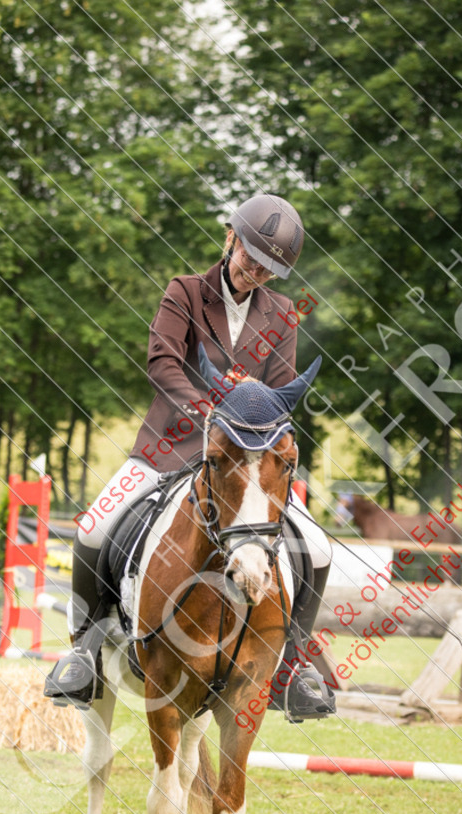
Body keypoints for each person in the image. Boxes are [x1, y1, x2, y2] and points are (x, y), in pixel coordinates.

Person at [45, 194, 335, 720]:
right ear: (231, 239)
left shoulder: (282, 314)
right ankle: (85, 647)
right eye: (251, 258)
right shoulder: (184, 292)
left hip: (243, 463)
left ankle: (294, 662)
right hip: (166, 447)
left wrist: (259, 416)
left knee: (315, 545)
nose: (256, 272)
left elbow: (280, 389)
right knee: (93, 525)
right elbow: (162, 361)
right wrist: (208, 410)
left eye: (269, 269)